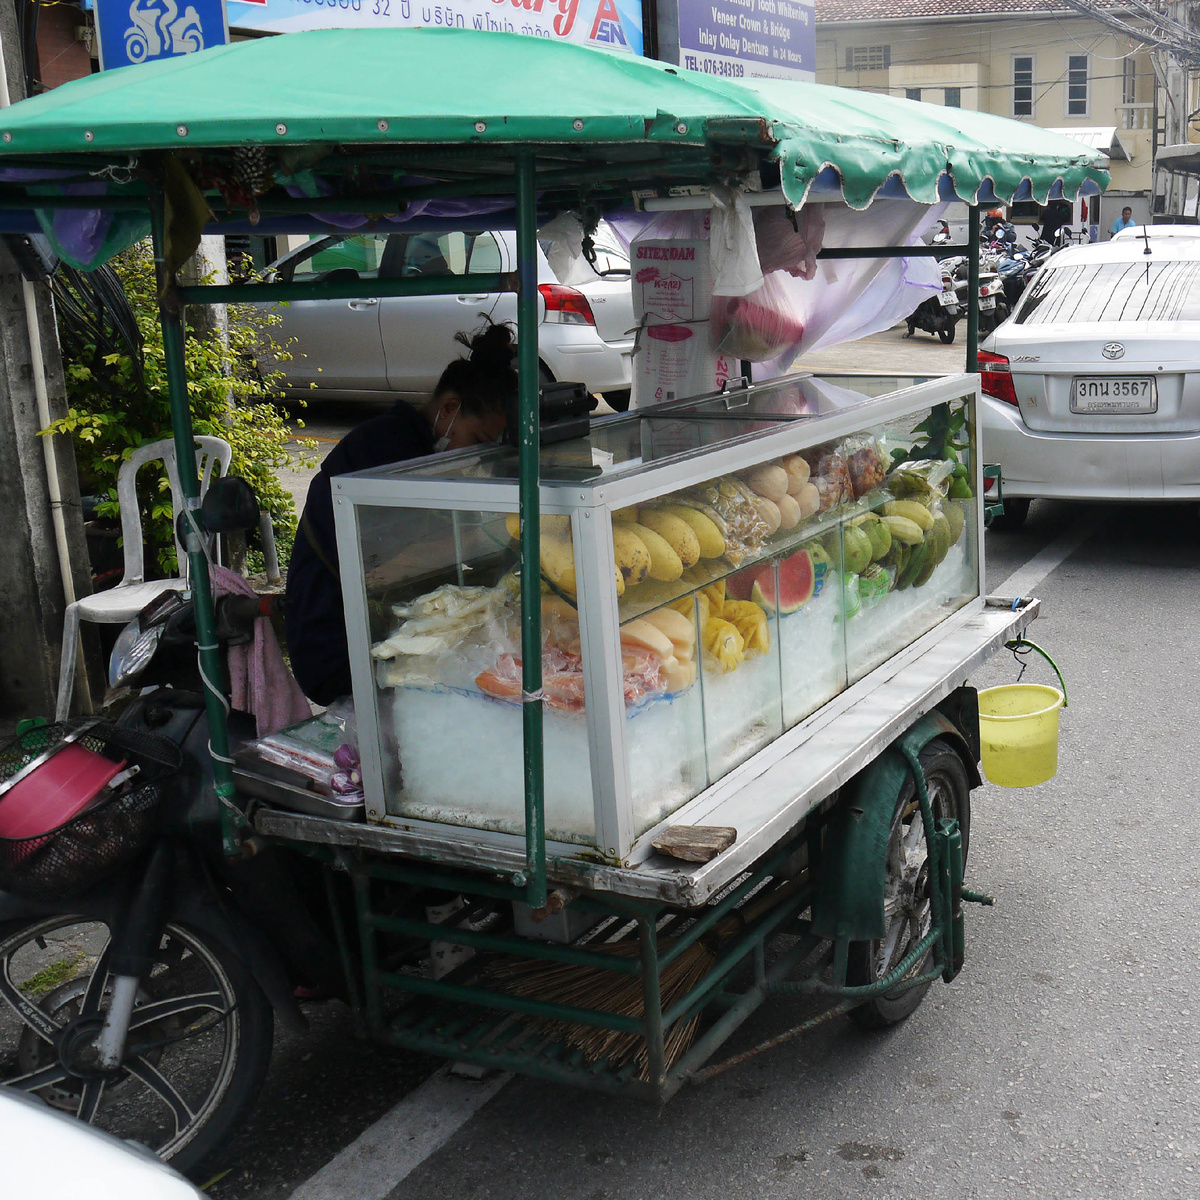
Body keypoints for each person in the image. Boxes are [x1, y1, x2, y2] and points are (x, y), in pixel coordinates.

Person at [285, 322, 516, 704]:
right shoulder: (386, 447)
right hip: (333, 637)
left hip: (382, 633)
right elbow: (387, 567)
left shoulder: (424, 452)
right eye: (476, 441)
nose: (472, 458)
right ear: (450, 409)